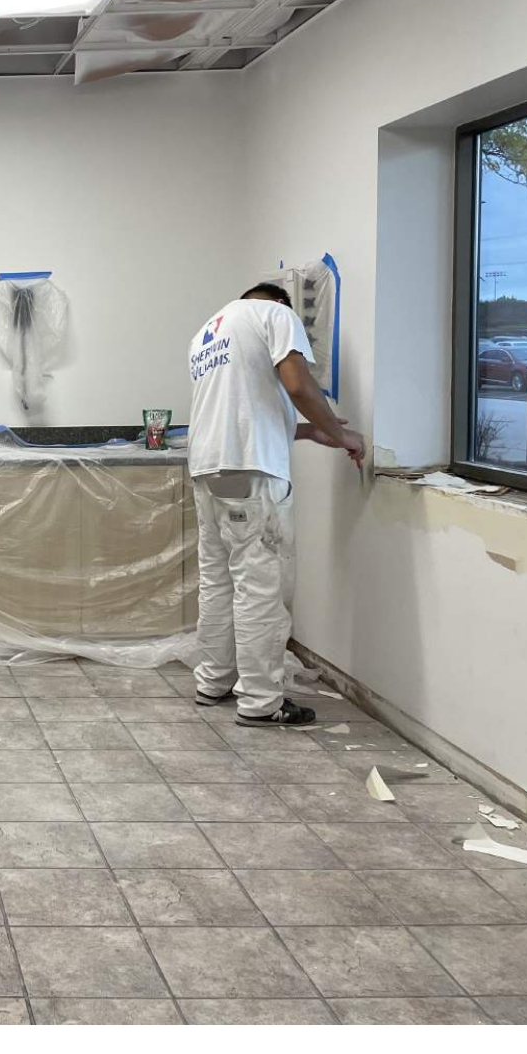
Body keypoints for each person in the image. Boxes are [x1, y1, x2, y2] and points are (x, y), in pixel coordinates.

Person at [185, 282, 365, 726]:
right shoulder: (277, 316)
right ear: (282, 304)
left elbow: (244, 410)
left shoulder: (207, 332)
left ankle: (213, 680)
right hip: (252, 472)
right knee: (261, 586)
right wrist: (342, 434)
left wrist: (310, 432)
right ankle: (261, 701)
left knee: (218, 581)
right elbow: (298, 385)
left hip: (208, 469)